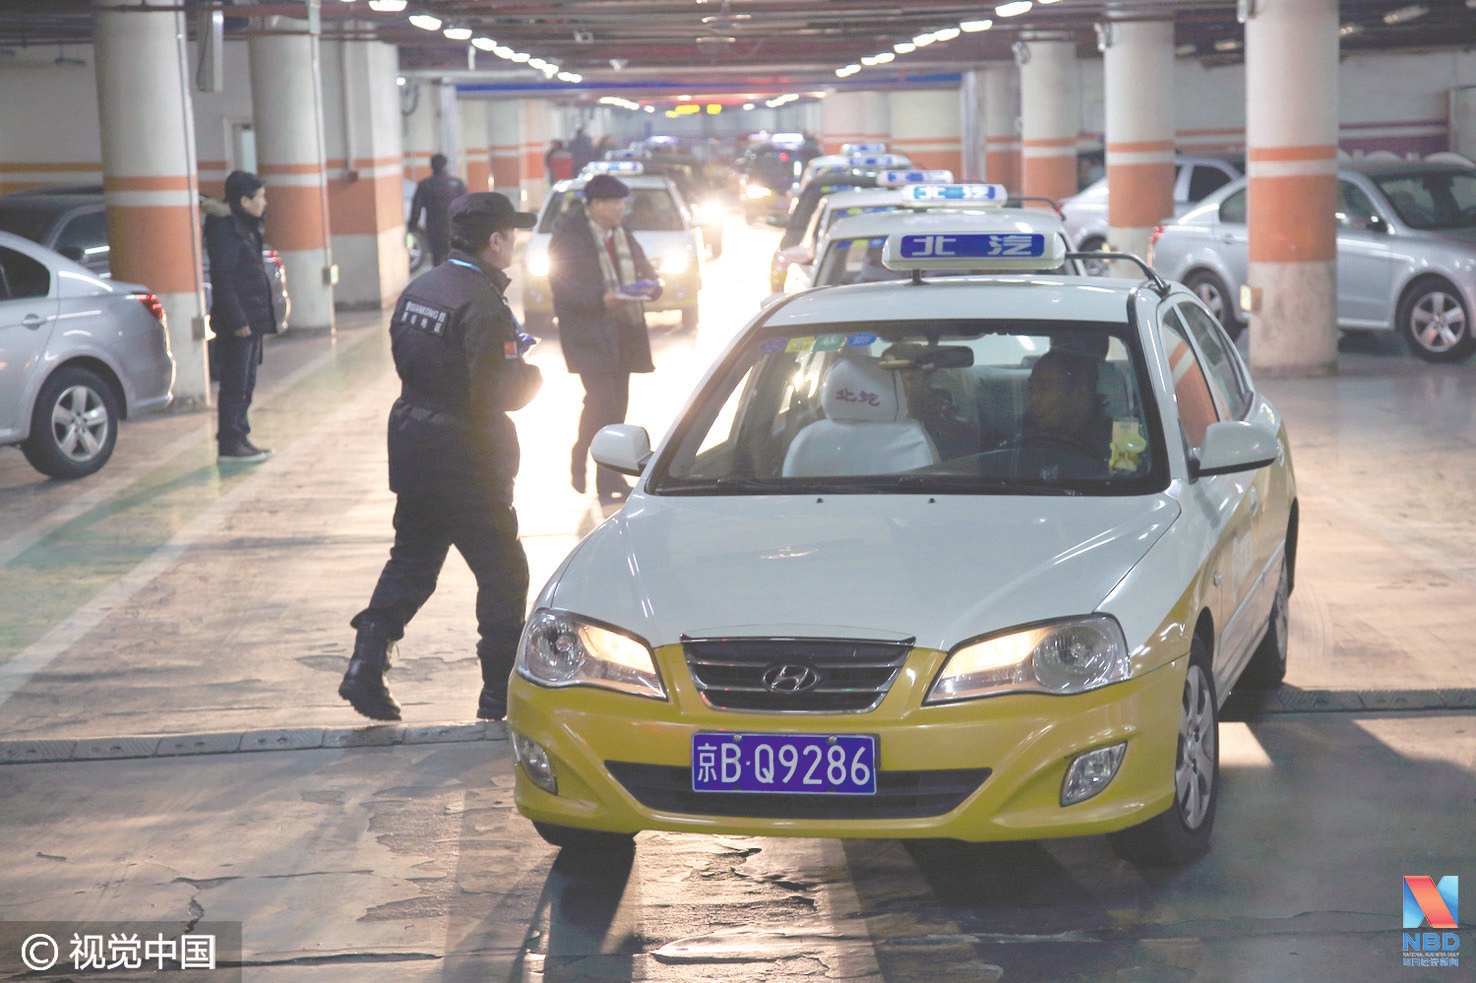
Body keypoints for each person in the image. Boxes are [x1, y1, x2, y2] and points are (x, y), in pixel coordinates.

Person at [339, 192, 543, 723]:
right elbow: (496, 392)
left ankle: (365, 663)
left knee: (413, 561)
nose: (513, 246)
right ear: (495, 241)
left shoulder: (419, 289)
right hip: (468, 456)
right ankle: (498, 695)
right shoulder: (481, 301)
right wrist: (530, 373)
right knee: (503, 573)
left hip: (413, 442)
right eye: (511, 237)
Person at [548, 173, 662, 504]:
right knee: (601, 400)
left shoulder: (621, 234)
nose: (621, 209)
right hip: (588, 333)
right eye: (616, 203)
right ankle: (581, 453)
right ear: (596, 205)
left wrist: (653, 287)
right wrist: (601, 299)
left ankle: (608, 479)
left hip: (624, 331)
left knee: (618, 406)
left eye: (622, 203)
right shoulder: (570, 236)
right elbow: (563, 284)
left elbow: (643, 270)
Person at [204, 169, 279, 463]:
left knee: (246, 383)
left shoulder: (244, 225)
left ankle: (240, 437)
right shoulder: (226, 228)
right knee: (236, 384)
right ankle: (231, 443)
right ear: (245, 201)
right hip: (240, 324)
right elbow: (223, 278)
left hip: (251, 319)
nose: (265, 203)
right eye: (261, 198)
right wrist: (238, 321)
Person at [408, 153, 467, 267]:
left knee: (437, 259)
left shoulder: (425, 185)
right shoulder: (457, 184)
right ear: (446, 166)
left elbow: (416, 208)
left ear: (431, 166)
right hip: (455, 229)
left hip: (434, 229)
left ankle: (440, 282)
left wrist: (413, 227)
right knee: (456, 259)